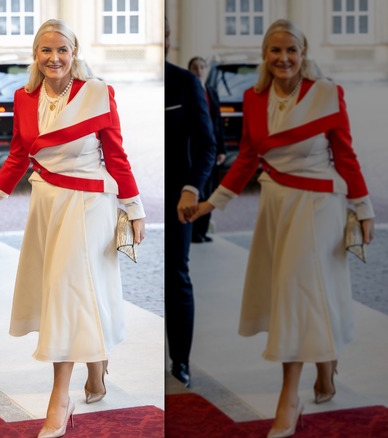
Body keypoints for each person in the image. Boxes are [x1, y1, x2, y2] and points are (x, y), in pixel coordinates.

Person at [0, 19, 145, 437]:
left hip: (89, 204)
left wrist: (134, 209)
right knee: (75, 292)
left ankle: (60, 398)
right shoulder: (23, 98)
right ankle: (97, 366)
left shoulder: (98, 93)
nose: (54, 57)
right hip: (47, 204)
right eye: (46, 50)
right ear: (35, 55)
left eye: (62, 49)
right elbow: (16, 159)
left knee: (67, 291)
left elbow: (116, 156)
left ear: (74, 53)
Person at [190, 19, 375, 438]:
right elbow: (246, 160)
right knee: (306, 293)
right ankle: (326, 367)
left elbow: (346, 156)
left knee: (296, 294)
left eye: (291, 49)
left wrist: (363, 210)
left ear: (303, 52)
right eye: (275, 50)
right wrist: (209, 204)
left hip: (318, 206)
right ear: (264, 56)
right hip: (276, 206)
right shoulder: (255, 99)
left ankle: (288, 397)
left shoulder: (327, 94)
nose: (283, 58)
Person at [164, 18, 217, 389]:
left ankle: (180, 361)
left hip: (174, 200)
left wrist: (191, 188)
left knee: (175, 276)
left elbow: (207, 145)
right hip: (125, 199)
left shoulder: (186, 82)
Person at [187, 56, 226, 243]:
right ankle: (193, 232)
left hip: (212, 149)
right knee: (197, 189)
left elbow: (217, 122)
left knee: (210, 191)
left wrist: (222, 149)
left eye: (202, 67)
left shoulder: (211, 91)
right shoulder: (186, 91)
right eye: (195, 67)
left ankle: (202, 231)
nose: (199, 71)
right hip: (195, 150)